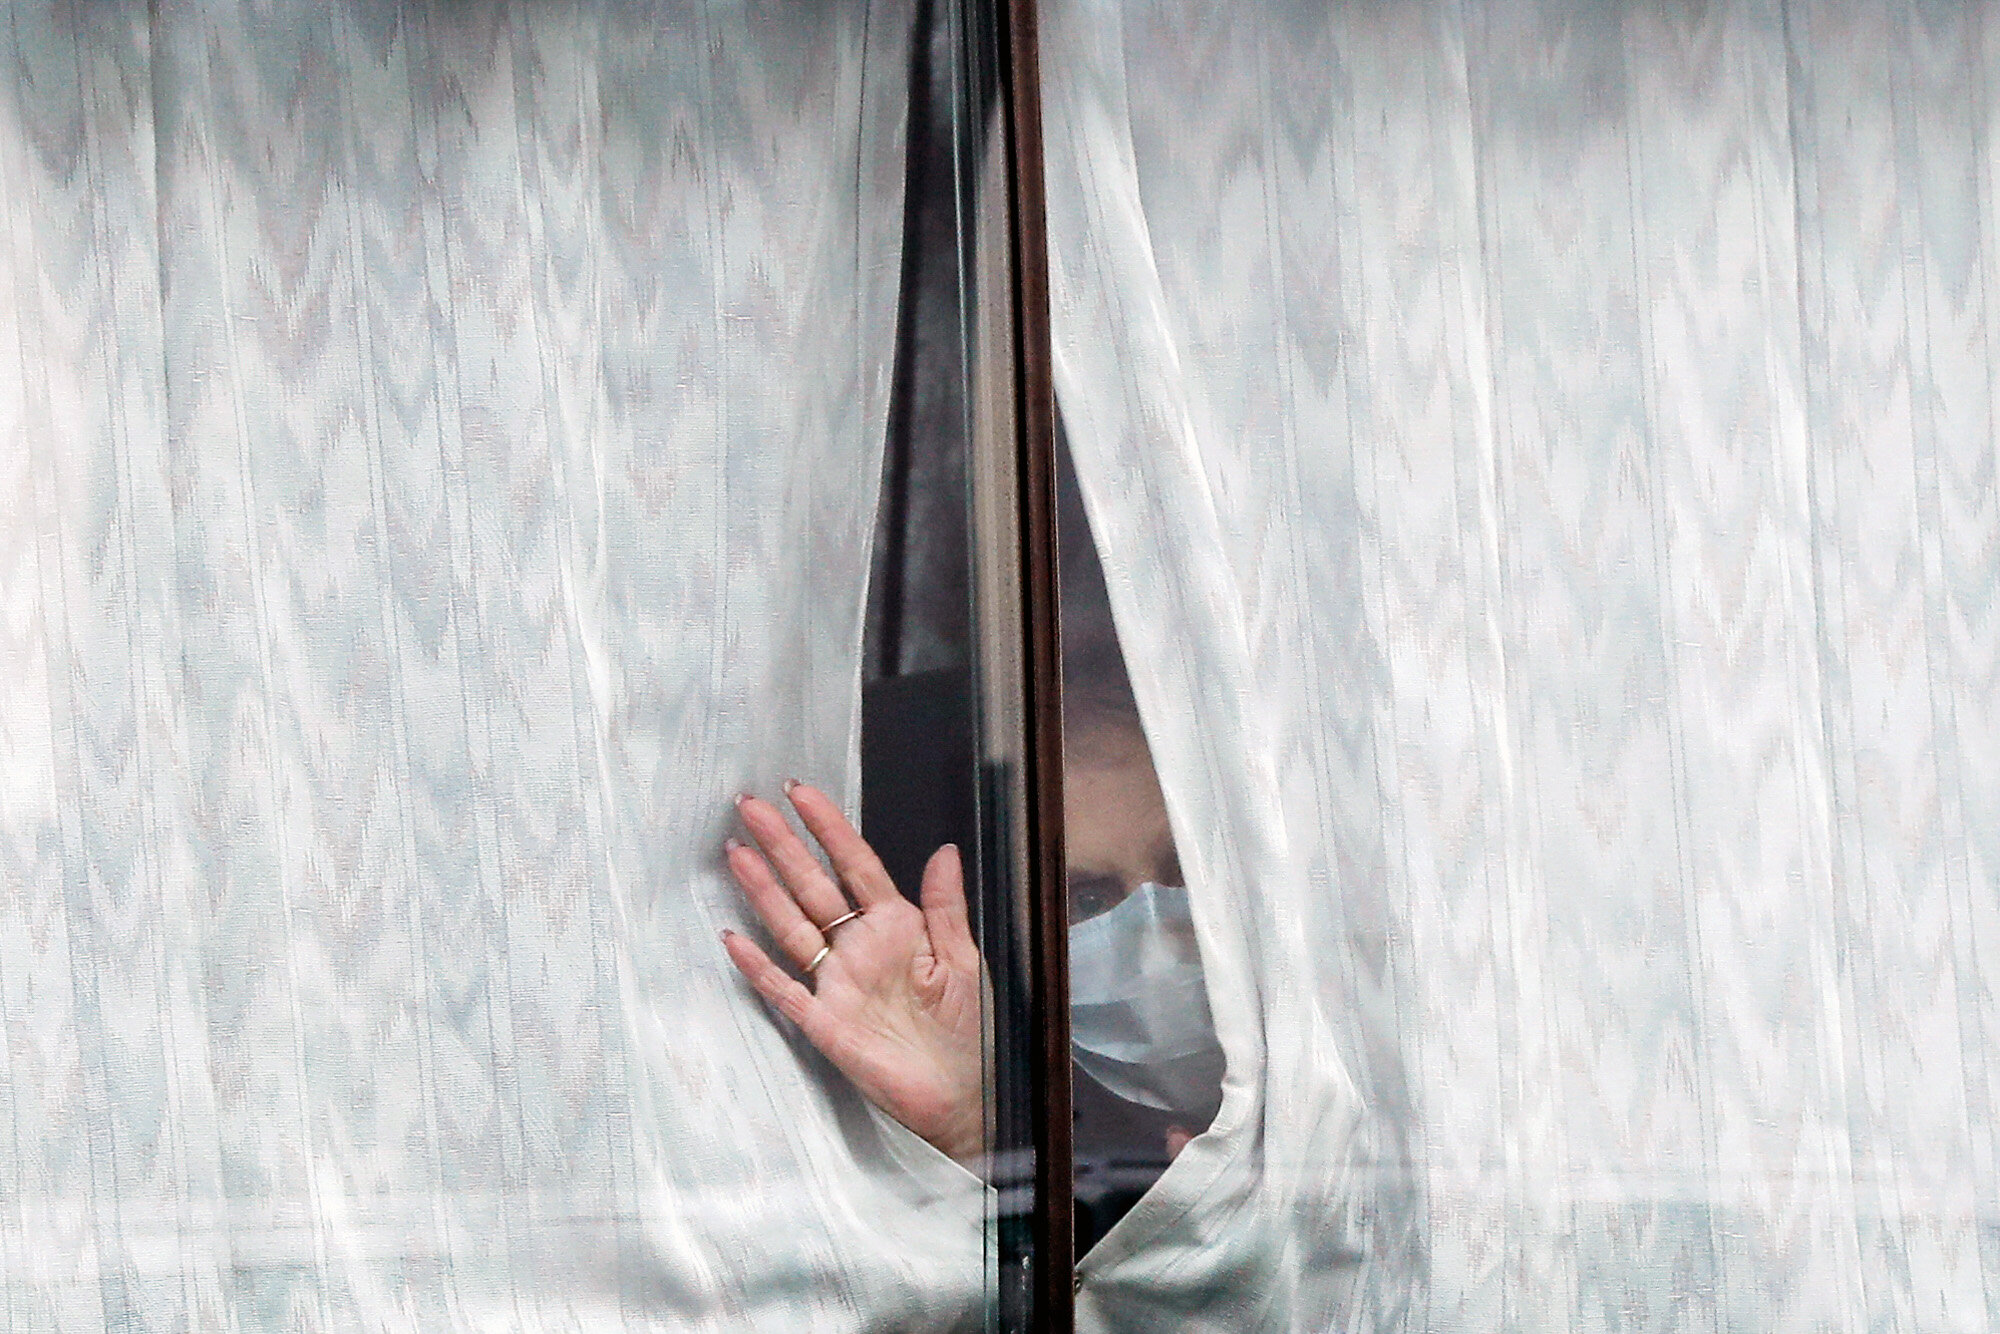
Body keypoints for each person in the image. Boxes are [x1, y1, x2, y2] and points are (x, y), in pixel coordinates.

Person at [718, 672, 1224, 1199]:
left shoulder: (1310, 1107)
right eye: (1090, 901)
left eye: (1182, 873)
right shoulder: (1048, 1147)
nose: (1156, 938)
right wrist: (967, 1140)